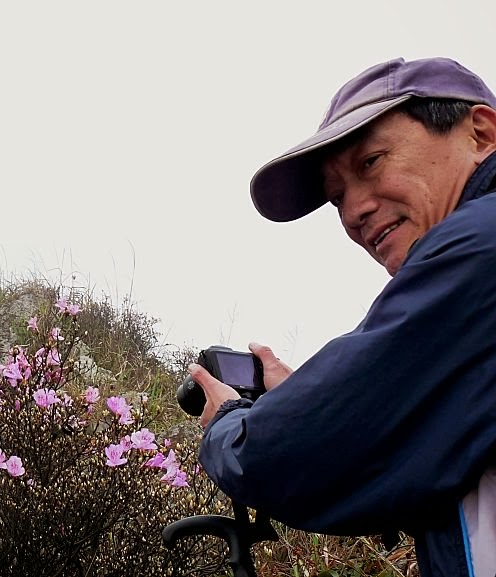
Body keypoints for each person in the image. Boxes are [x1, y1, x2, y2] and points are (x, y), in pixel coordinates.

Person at [189, 57, 496, 577]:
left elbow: (286, 456)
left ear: (481, 133)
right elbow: (417, 460)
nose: (353, 212)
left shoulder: (479, 247)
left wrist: (230, 422)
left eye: (371, 161)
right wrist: (311, 399)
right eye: (336, 198)